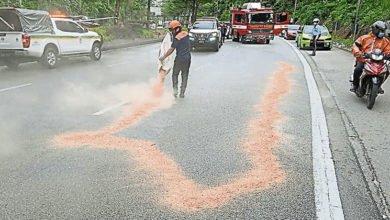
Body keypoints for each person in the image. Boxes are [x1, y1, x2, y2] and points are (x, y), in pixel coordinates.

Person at [351, 21, 390, 93]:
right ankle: (355, 84)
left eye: (383, 31)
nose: (382, 32)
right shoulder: (364, 38)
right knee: (358, 69)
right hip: (364, 60)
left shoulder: (385, 41)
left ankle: (379, 85)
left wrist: (388, 55)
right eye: (381, 30)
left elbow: (388, 50)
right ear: (375, 29)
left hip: (379, 61)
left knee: (386, 71)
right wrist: (358, 53)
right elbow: (355, 46)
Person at [159, 20, 191, 98]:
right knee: (185, 75)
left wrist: (164, 56)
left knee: (175, 75)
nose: (172, 32)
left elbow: (171, 49)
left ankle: (175, 91)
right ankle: (182, 92)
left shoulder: (177, 38)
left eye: (172, 30)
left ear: (177, 29)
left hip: (179, 59)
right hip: (188, 59)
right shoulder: (186, 34)